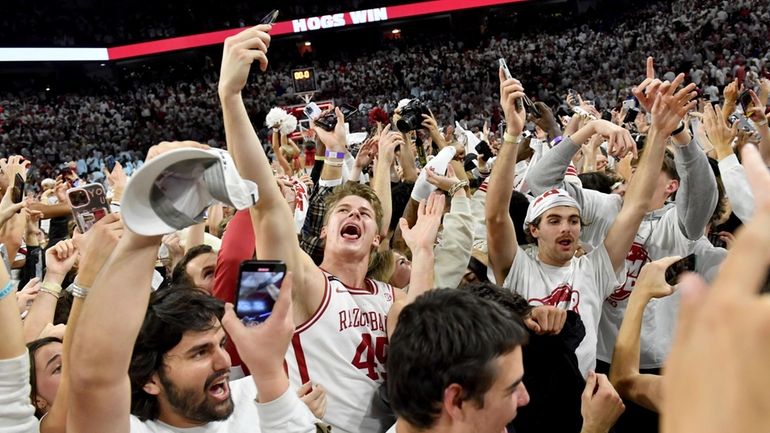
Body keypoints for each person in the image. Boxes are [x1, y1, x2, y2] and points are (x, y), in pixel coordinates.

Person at [216, 24, 438, 433]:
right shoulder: (308, 282)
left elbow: (426, 351)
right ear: (322, 232)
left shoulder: (393, 297)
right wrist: (230, 99)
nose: (354, 215)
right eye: (343, 211)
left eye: (364, 214)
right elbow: (265, 204)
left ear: (377, 237)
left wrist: (423, 251)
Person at [486, 65, 697, 375]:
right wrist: (513, 135)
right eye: (554, 220)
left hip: (585, 402)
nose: (567, 227)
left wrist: (659, 131)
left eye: (574, 220)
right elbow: (495, 215)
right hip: (526, 402)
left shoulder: (593, 269)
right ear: (533, 230)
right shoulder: (517, 266)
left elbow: (635, 206)